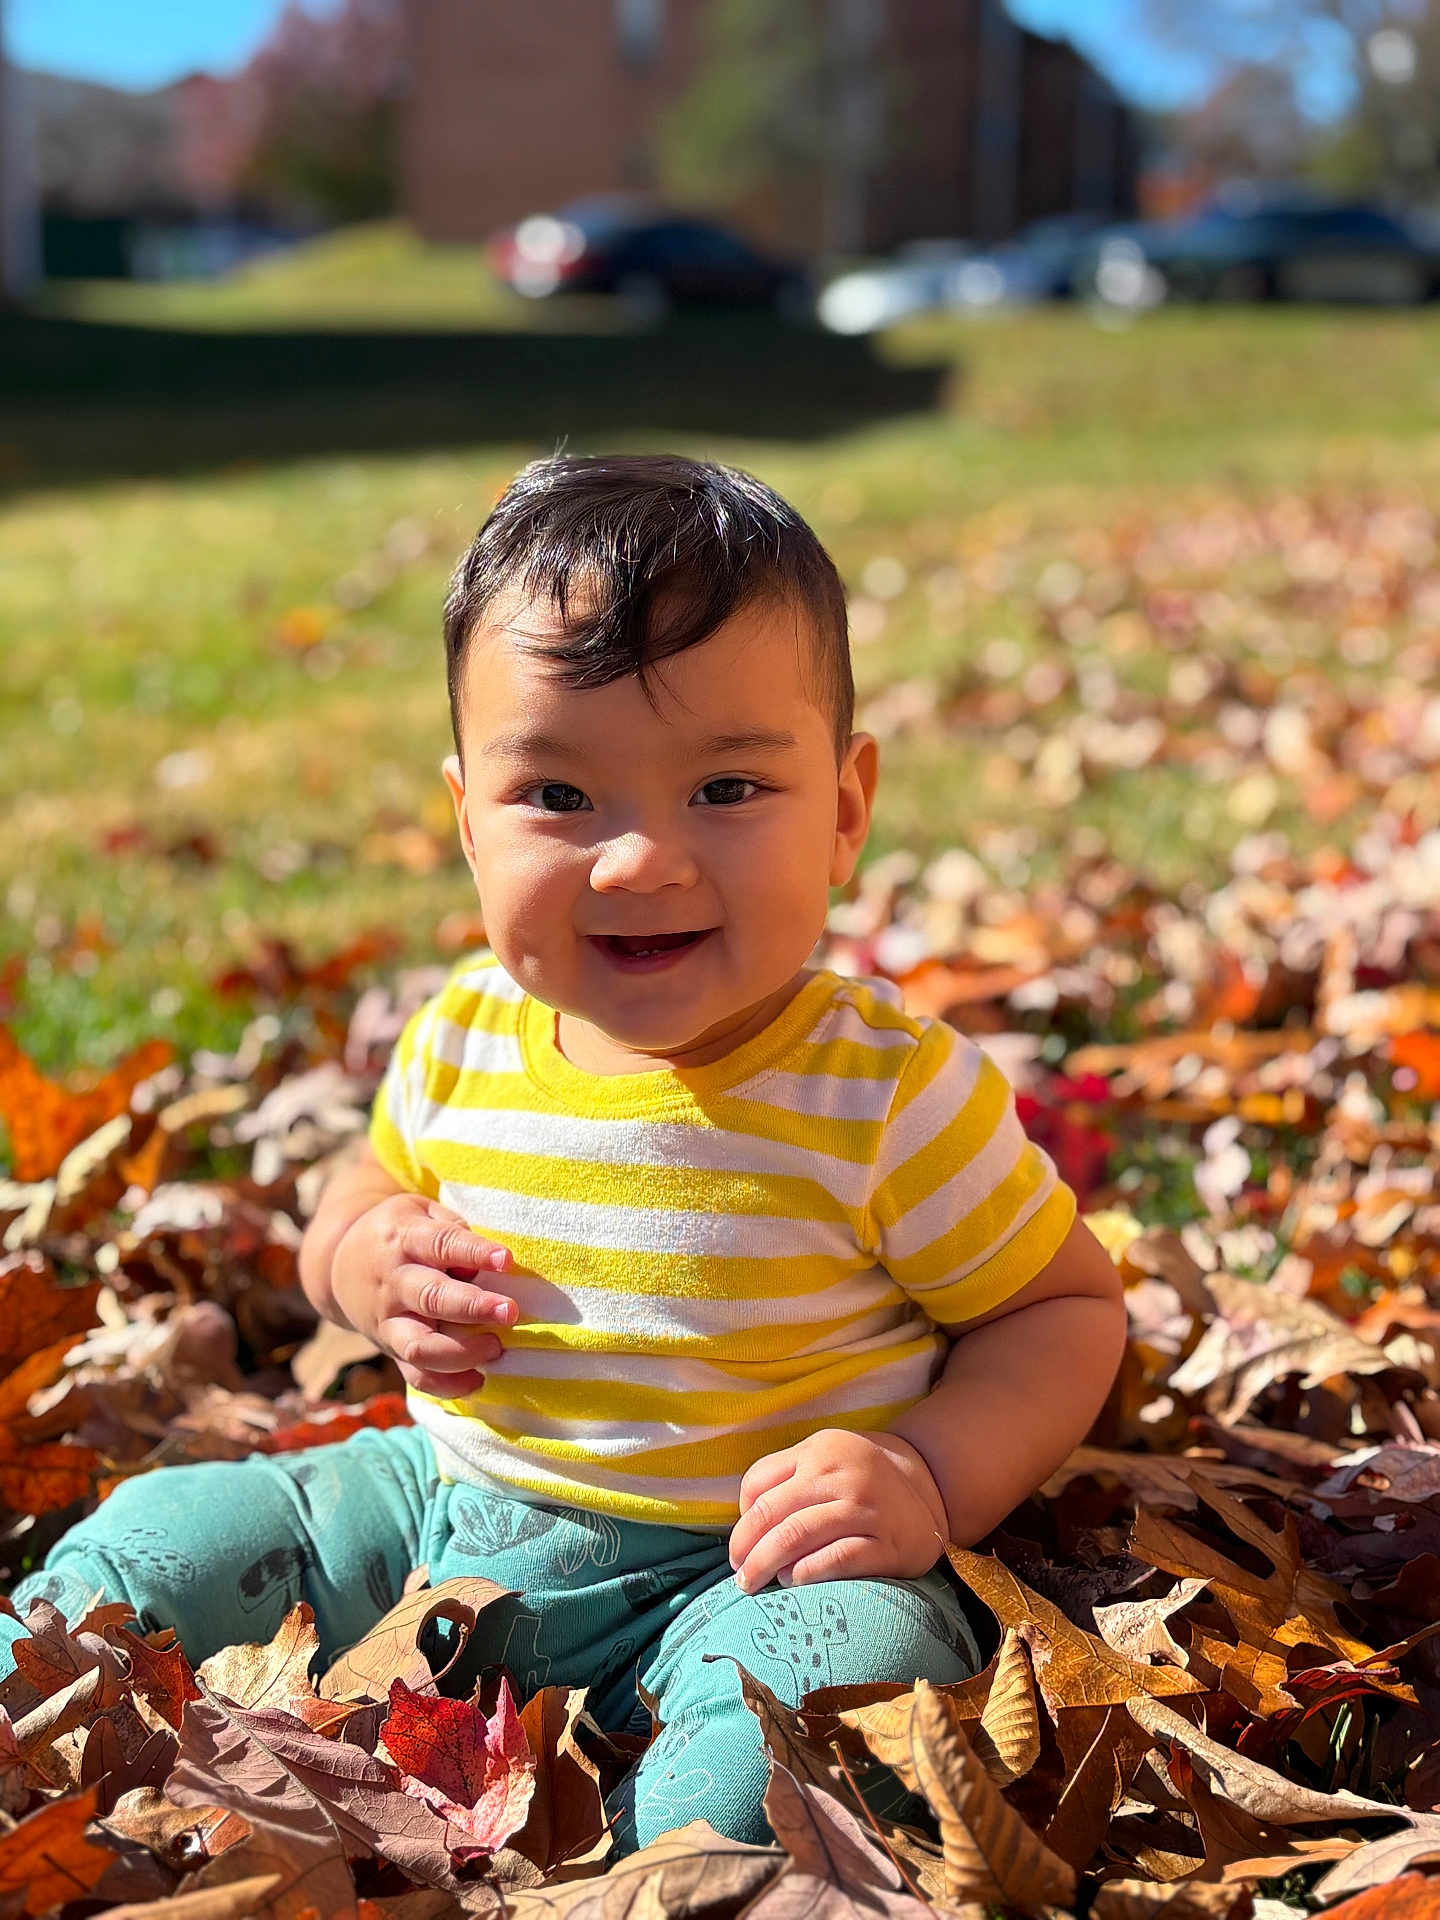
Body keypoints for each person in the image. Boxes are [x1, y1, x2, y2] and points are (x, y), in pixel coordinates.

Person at [1, 454, 1126, 1852]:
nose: (638, 861)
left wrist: (930, 1474)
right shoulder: (463, 1034)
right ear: (468, 816)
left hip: (746, 1564)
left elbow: (1065, 1310)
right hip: (438, 1510)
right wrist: (362, 1262)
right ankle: (29, 1687)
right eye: (559, 798)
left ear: (844, 807)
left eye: (725, 787)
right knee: (172, 1532)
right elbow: (360, 1194)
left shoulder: (884, 1097)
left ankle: (671, 1861)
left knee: (846, 1672)